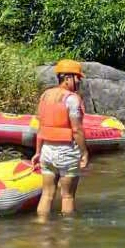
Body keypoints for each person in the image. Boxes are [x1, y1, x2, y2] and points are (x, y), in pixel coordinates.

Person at [35, 59, 90, 220]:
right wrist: (84, 152)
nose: (79, 81)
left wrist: (38, 152)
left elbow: (40, 127)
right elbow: (77, 130)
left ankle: (42, 228)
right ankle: (66, 235)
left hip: (46, 151)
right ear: (67, 78)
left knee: (46, 195)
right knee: (67, 196)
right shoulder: (71, 99)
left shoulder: (45, 95)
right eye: (77, 77)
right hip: (66, 151)